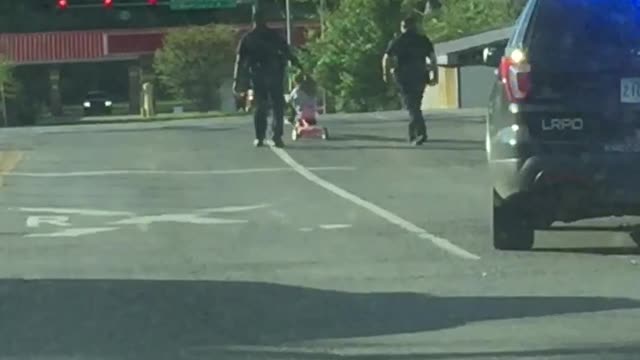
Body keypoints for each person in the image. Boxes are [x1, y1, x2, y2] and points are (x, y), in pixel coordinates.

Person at [233, 7, 303, 148]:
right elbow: (288, 53)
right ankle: (276, 136)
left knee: (262, 106)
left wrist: (237, 81)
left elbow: (240, 62)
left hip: (260, 75)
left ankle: (261, 137)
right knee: (276, 106)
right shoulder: (273, 36)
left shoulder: (248, 38)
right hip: (273, 74)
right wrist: (300, 66)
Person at [382, 16, 438, 145]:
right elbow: (433, 59)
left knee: (411, 106)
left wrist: (386, 75)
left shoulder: (398, 40)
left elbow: (386, 58)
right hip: (420, 75)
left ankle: (419, 133)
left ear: (403, 27)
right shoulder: (423, 40)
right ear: (415, 26)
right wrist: (435, 76)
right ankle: (414, 133)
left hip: (403, 77)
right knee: (415, 104)